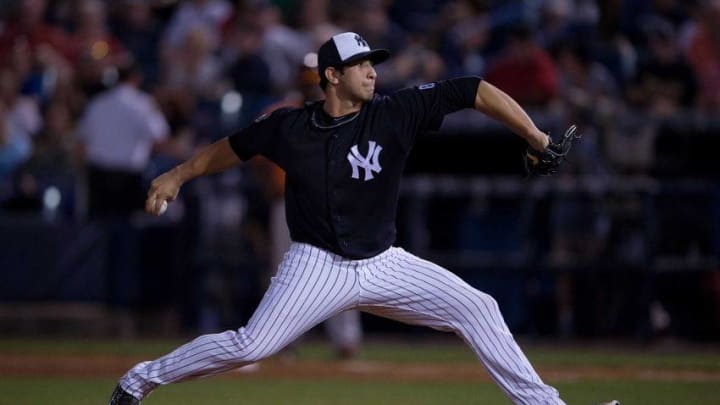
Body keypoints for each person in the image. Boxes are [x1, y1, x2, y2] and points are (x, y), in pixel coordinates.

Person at [109, 32, 613, 405]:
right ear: (332, 75)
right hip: (316, 266)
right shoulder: (290, 127)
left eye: (373, 63)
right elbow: (231, 148)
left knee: (478, 307)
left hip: (383, 262)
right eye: (361, 64)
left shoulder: (393, 113)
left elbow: (473, 89)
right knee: (250, 345)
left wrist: (536, 137)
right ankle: (138, 381)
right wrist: (176, 176)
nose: (372, 71)